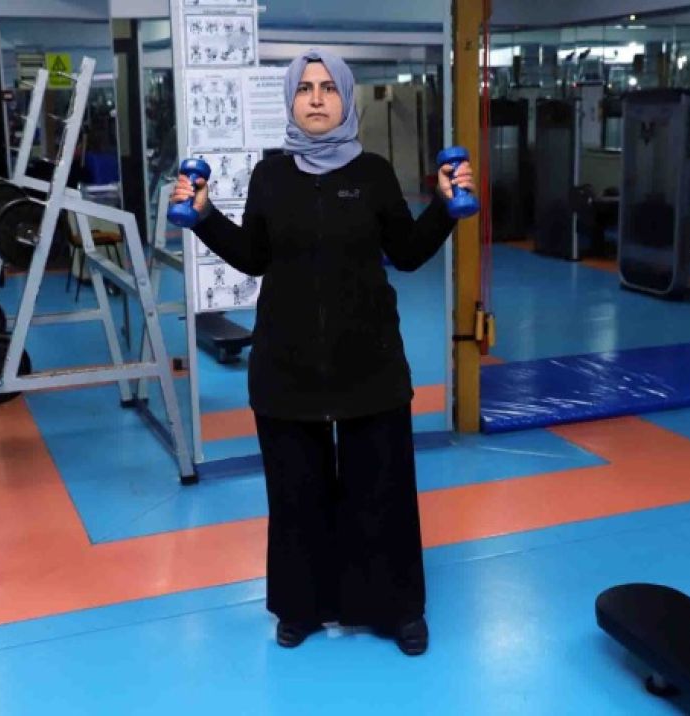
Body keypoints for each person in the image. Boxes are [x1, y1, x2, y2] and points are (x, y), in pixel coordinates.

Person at [170, 48, 473, 656]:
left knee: (381, 492)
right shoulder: (270, 176)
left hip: (369, 362)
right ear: (291, 99)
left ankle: (396, 609)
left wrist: (445, 207)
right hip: (287, 365)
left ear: (346, 98)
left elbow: (408, 253)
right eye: (305, 88)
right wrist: (203, 218)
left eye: (328, 88)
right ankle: (301, 606)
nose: (315, 98)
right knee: (296, 495)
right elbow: (253, 257)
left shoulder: (374, 173)